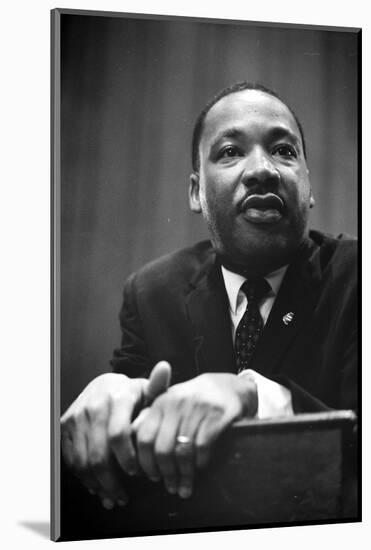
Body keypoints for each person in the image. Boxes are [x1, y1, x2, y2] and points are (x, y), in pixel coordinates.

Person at [61, 81, 357, 512]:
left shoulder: (357, 276)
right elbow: (131, 404)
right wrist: (111, 394)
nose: (263, 170)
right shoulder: (151, 293)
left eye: (284, 151)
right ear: (196, 192)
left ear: (309, 187)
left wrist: (249, 394)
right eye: (231, 152)